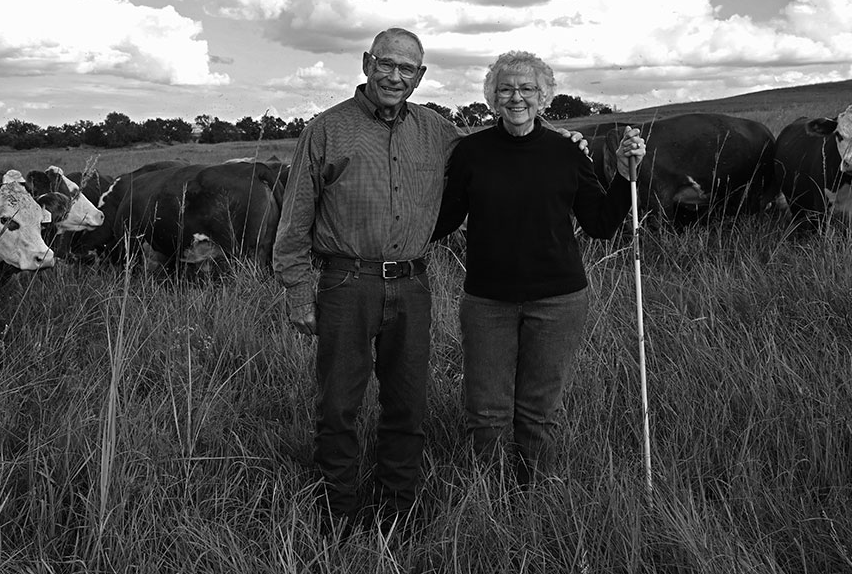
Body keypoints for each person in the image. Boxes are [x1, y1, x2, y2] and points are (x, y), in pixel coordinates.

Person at [273, 28, 459, 536]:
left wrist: (555, 131)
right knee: (338, 404)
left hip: (413, 285)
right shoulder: (327, 130)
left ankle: (399, 510)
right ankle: (339, 514)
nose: (395, 76)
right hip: (345, 283)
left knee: (407, 403)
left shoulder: (440, 133)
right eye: (386, 64)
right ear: (365, 63)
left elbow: (495, 156)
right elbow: (295, 219)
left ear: (420, 77)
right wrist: (296, 290)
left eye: (407, 69)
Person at [431, 50, 645, 486]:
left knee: (539, 412)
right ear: (492, 98)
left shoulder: (566, 153)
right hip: (488, 299)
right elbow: (443, 221)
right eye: (506, 89)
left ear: (544, 97)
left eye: (527, 89)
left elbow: (601, 224)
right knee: (486, 412)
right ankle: (486, 502)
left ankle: (534, 500)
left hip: (558, 299)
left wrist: (625, 177)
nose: (516, 98)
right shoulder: (471, 153)